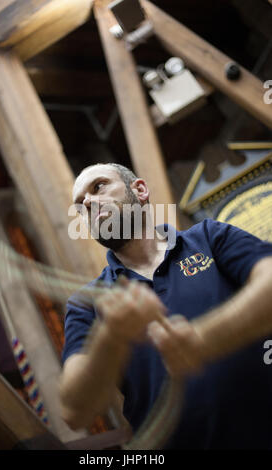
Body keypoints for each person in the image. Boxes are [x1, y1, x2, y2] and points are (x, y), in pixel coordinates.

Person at [60, 162, 272, 449]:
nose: (87, 202)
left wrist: (201, 339)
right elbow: (74, 412)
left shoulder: (208, 238)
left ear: (140, 190)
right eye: (80, 205)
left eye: (98, 186)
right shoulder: (88, 302)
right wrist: (110, 336)